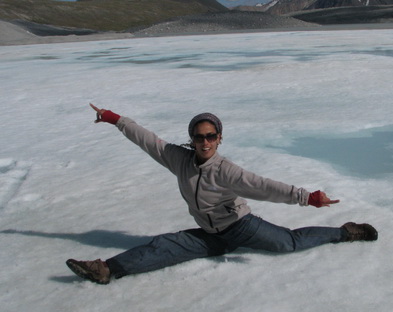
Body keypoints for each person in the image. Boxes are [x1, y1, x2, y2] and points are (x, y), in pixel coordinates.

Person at [66, 104, 377, 284]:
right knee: (165, 246)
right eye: (199, 137)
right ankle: (106, 269)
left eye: (211, 136)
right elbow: (147, 140)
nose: (205, 142)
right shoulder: (179, 159)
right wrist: (113, 118)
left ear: (219, 138)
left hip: (242, 226)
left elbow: (264, 186)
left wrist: (306, 197)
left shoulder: (226, 171)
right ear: (191, 139)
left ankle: (346, 232)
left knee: (289, 243)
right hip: (209, 233)